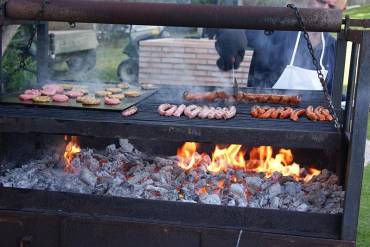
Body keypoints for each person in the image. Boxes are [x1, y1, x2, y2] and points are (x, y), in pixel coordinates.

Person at [212, 0, 347, 92]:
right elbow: (236, 25)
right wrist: (231, 34)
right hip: (263, 120)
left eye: (332, 7)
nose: (324, 9)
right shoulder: (276, 28)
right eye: (321, 1)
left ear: (342, 10)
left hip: (312, 128)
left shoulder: (334, 48)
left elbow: (331, 96)